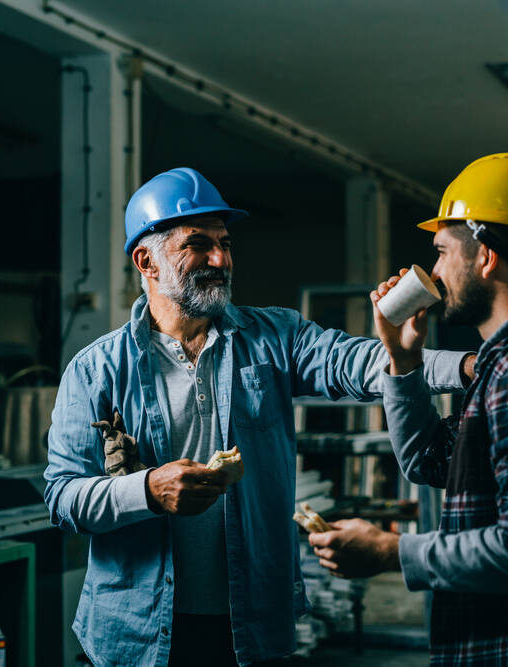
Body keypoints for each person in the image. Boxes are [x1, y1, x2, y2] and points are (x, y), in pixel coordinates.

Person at [43, 167, 475, 667]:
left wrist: (469, 367)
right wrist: (147, 490)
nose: (220, 258)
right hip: (134, 632)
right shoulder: (96, 369)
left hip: (249, 626)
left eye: (225, 243)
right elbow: (62, 497)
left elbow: (359, 360)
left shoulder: (274, 337)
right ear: (147, 260)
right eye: (199, 243)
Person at [309, 153, 508, 665]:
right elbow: (428, 460)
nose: (433, 271)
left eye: (441, 251)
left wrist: (392, 552)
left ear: (486, 257)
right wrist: (404, 362)